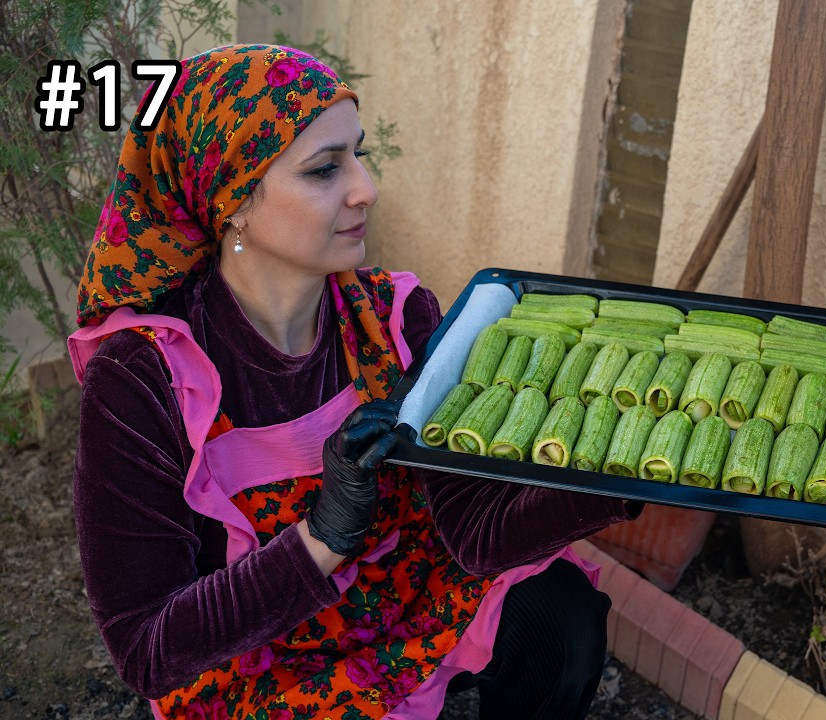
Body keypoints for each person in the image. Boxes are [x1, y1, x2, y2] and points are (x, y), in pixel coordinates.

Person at [69, 44, 640, 720]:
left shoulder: (397, 319)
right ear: (233, 202)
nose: (365, 187)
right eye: (324, 170)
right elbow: (146, 650)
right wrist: (324, 535)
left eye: (358, 155)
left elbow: (472, 536)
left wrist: (616, 477)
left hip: (406, 594)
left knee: (561, 625)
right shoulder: (146, 380)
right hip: (259, 658)